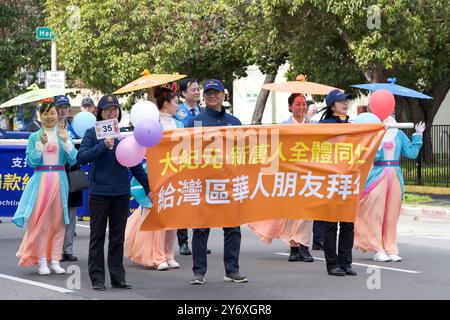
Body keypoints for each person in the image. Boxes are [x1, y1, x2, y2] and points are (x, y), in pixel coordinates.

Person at [77, 93, 150, 291]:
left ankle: (118, 277)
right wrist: (103, 146)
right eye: (108, 109)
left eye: (115, 109)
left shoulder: (124, 135)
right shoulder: (93, 133)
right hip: (99, 193)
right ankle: (97, 278)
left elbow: (134, 163)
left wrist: (148, 187)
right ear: (100, 113)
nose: (112, 112)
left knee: (118, 237)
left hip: (120, 193)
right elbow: (81, 157)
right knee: (97, 236)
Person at [186, 79, 247, 285]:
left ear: (223, 95)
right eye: (209, 93)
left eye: (217, 93)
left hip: (229, 182)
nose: (213, 96)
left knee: (232, 228)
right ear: (204, 97)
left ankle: (232, 270)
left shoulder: (234, 122)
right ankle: (199, 272)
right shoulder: (194, 122)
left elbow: (243, 152)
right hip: (204, 183)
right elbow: (186, 152)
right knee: (201, 228)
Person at [12, 99, 77, 275]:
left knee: (58, 223)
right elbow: (31, 161)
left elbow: (74, 159)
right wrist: (40, 145)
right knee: (41, 223)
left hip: (59, 180)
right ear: (41, 116)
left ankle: (55, 260)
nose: (49, 116)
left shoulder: (64, 133)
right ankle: (42, 261)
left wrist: (66, 142)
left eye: (52, 113)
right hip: (41, 182)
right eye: (46, 113)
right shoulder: (34, 136)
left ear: (58, 114)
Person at [248, 93, 314, 262]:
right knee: (290, 212)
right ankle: (293, 247)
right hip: (289, 173)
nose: (301, 107)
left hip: (310, 173)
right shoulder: (282, 126)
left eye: (304, 104)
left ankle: (304, 247)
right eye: (298, 104)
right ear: (290, 107)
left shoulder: (315, 126)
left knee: (307, 212)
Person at [125, 85, 183, 270]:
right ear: (166, 103)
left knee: (173, 216)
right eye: (176, 102)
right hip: (157, 172)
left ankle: (168, 253)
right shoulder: (152, 123)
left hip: (175, 172)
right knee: (157, 214)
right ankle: (158, 256)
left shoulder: (179, 124)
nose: (178, 106)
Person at [354, 116, 425, 262]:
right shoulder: (374, 133)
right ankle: (377, 248)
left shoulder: (398, 133)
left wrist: (418, 135)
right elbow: (367, 156)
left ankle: (391, 248)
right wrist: (378, 144)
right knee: (376, 213)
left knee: (391, 215)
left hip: (394, 175)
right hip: (378, 175)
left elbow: (411, 153)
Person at [318, 89, 357, 276]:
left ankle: (346, 262)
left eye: (347, 100)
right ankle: (332, 264)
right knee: (331, 224)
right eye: (342, 101)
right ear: (332, 105)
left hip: (348, 180)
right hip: (330, 180)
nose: (346, 103)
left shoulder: (352, 125)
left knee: (348, 223)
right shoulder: (324, 125)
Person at [174, 78, 207, 256]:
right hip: (184, 160)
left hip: (201, 161)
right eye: (193, 90)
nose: (196, 92)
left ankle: (199, 241)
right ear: (184, 93)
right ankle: (183, 241)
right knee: (184, 201)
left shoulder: (202, 111)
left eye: (197, 89)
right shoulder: (178, 113)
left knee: (199, 201)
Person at [54, 95, 82, 262]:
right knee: (57, 213)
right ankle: (56, 249)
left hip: (72, 173)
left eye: (65, 107)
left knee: (71, 213)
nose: (62, 110)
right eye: (59, 107)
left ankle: (68, 249)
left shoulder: (75, 128)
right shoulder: (50, 129)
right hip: (56, 173)